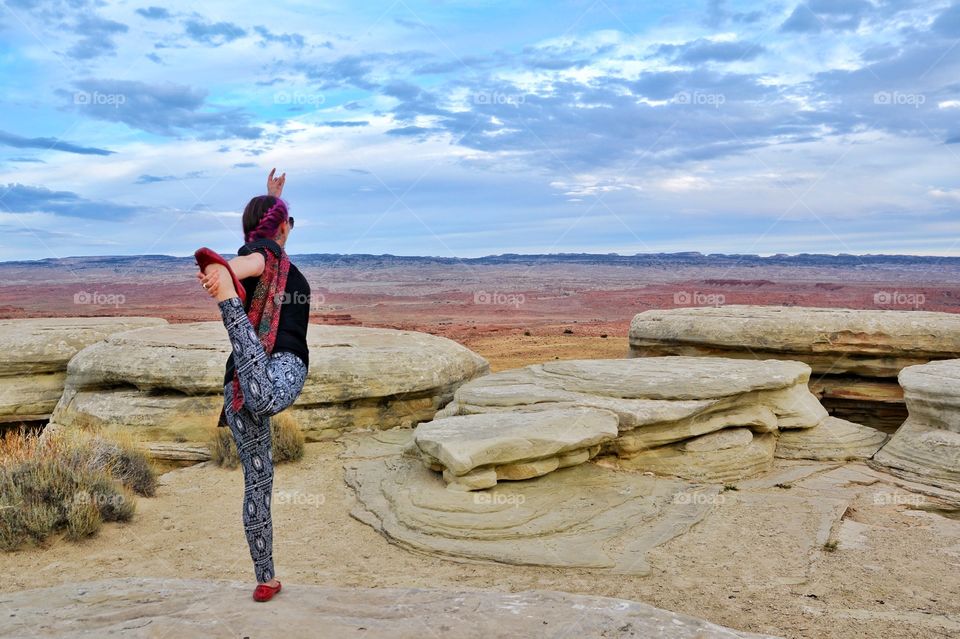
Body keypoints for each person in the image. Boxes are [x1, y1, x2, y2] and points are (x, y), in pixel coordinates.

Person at [194, 168, 311, 602]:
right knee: (259, 475)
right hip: (278, 366)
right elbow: (250, 258)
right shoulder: (269, 257)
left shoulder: (262, 253)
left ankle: (267, 577)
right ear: (283, 228)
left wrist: (271, 197)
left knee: (258, 482)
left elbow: (249, 253)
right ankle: (265, 578)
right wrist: (224, 274)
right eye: (288, 222)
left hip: (238, 382)